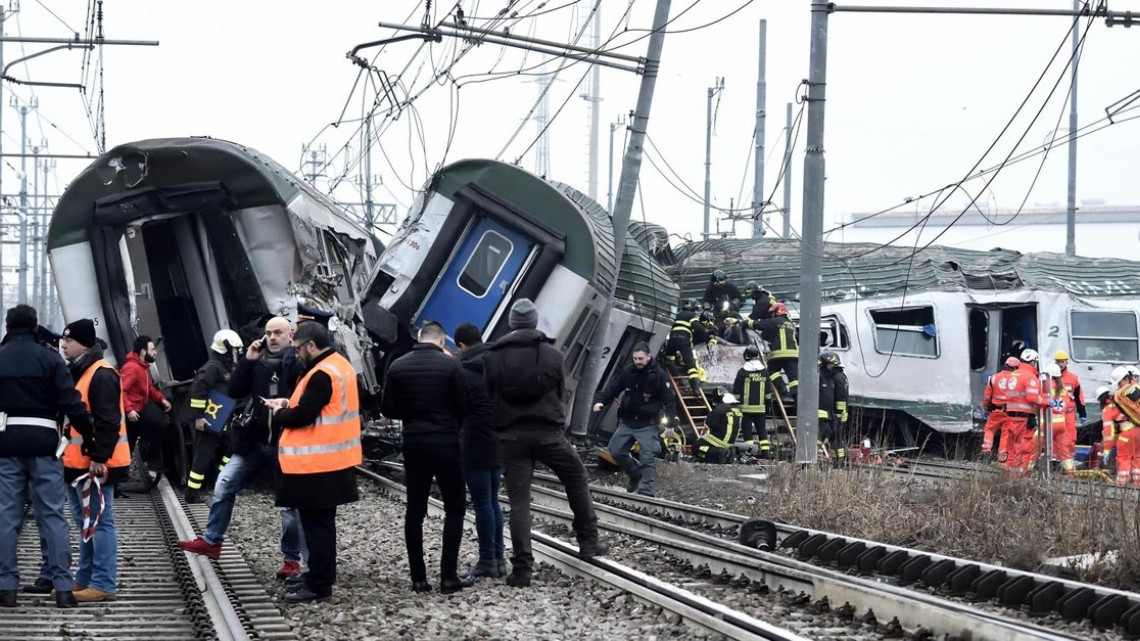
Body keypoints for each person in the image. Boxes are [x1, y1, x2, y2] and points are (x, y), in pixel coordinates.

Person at [483, 299, 608, 588]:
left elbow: (489, 394)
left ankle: (523, 570)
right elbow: (561, 391)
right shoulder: (553, 355)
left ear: (513, 323)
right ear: (534, 322)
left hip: (511, 438)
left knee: (519, 501)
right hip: (548, 434)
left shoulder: (491, 357)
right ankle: (588, 542)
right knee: (576, 478)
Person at [178, 317, 307, 579]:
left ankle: (292, 560)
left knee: (289, 506)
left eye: (278, 333)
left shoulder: (298, 363)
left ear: (290, 335)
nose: (272, 338)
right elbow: (235, 389)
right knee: (224, 483)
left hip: (286, 443)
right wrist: (248, 361)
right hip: (255, 441)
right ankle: (212, 541)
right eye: (268, 333)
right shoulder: (257, 364)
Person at [264, 321, 361, 603]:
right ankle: (317, 576)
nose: (295, 354)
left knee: (317, 527)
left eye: (297, 349)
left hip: (318, 464)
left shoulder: (321, 374)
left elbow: (304, 415)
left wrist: (280, 415)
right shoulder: (339, 366)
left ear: (310, 345)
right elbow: (315, 408)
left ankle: (319, 584)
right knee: (320, 525)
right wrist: (288, 405)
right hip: (331, 461)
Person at [0, 305, 89, 609]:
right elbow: (72, 403)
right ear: (35, 326)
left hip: (6, 444)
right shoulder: (50, 359)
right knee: (51, 515)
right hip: (44, 445)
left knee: (6, 515)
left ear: (8, 326)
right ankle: (63, 589)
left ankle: (6, 588)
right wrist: (91, 436)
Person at [381, 321, 472, 594]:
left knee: (415, 510)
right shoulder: (453, 366)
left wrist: (412, 413)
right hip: (446, 443)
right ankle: (448, 577)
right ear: (442, 341)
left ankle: (418, 579)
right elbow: (465, 406)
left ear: (420, 338)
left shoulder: (398, 366)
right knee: (455, 508)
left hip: (414, 443)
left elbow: (388, 409)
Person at [58, 318, 130, 603]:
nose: (64, 345)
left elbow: (108, 420)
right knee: (84, 522)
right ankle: (85, 579)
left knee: (99, 522)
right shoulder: (82, 371)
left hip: (95, 464)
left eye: (69, 341)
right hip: (76, 463)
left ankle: (103, 582)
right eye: (64, 340)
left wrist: (100, 457)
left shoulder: (101, 374)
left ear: (84, 343)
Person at [454, 322, 506, 580]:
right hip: (498, 438)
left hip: (474, 440)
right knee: (493, 501)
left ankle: (487, 559)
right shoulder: (498, 363)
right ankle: (499, 559)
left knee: (483, 503)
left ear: (462, 346)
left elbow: (458, 408)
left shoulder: (463, 371)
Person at [594, 343, 676, 497]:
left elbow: (669, 400)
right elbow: (614, 388)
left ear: (649, 357)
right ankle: (635, 472)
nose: (637, 361)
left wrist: (670, 424)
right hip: (628, 420)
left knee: (647, 456)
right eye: (635, 358)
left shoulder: (658, 375)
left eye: (641, 358)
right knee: (615, 450)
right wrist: (601, 402)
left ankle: (646, 492)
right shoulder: (628, 371)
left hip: (647, 423)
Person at [185, 329, 243, 503]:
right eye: (234, 349)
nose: (236, 352)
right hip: (210, 419)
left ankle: (220, 479)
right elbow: (198, 389)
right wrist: (199, 416)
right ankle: (192, 494)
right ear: (224, 347)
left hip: (221, 418)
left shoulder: (224, 366)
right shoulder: (212, 367)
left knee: (231, 449)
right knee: (203, 456)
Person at [120, 336, 172, 477]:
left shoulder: (142, 367)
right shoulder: (132, 368)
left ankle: (120, 478)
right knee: (159, 424)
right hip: (134, 410)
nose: (155, 352)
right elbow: (121, 390)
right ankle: (152, 462)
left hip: (138, 408)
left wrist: (162, 400)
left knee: (129, 444)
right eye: (152, 349)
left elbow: (149, 388)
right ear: (143, 352)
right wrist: (129, 409)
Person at [1003, 349, 1045, 474]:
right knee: (1024, 448)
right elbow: (1032, 397)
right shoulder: (1030, 377)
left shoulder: (1012, 375)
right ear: (1033, 362)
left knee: (1011, 447)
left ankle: (1009, 475)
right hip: (1024, 418)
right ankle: (1019, 477)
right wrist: (1046, 402)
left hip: (1010, 417)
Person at [747, 302, 799, 401]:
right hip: (793, 355)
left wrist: (746, 323)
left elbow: (760, 325)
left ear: (777, 312)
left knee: (772, 371)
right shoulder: (791, 324)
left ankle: (784, 392)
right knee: (794, 378)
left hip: (779, 354)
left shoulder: (776, 321)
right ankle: (796, 398)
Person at [732, 346, 771, 457]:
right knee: (762, 430)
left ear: (746, 356)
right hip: (760, 409)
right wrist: (768, 406)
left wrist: (734, 404)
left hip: (746, 409)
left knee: (747, 430)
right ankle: (765, 452)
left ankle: (749, 452)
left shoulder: (743, 372)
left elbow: (737, 392)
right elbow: (768, 392)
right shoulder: (764, 372)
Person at [664, 302, 708, 393]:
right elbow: (698, 328)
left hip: (672, 340)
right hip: (683, 340)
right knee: (690, 364)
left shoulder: (677, 316)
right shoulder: (691, 315)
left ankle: (676, 375)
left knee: (669, 359)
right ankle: (695, 389)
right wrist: (708, 331)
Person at [981, 357, 1019, 462]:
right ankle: (1002, 457)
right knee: (1006, 433)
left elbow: (987, 395)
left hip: (995, 411)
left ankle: (986, 449)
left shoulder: (993, 378)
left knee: (989, 429)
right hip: (1009, 413)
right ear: (1015, 367)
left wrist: (985, 407)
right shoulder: (1016, 380)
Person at [1044, 363, 1077, 475]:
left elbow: (1039, 402)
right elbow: (1067, 405)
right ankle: (1071, 473)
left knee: (1032, 447)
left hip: (1047, 424)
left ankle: (1026, 472)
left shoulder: (1045, 386)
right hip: (1061, 424)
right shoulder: (1063, 389)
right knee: (1065, 452)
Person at [1110, 366, 1140, 486]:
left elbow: (1116, 415)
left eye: (1119, 382)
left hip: (1129, 430)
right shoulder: (1137, 387)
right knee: (1138, 458)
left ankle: (1121, 487)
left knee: (1124, 458)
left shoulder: (1119, 395)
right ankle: (1137, 485)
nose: (1118, 385)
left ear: (1125, 379)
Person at [819, 351, 850, 465]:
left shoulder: (837, 378)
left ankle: (839, 461)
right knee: (837, 438)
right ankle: (839, 460)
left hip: (838, 413)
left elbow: (840, 396)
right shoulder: (842, 376)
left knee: (836, 437)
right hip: (841, 413)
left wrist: (838, 413)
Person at [696, 392, 741, 463]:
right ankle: (728, 454)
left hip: (718, 439)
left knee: (696, 446)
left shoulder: (720, 408)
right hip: (731, 442)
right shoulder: (737, 410)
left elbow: (710, 423)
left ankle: (718, 453)